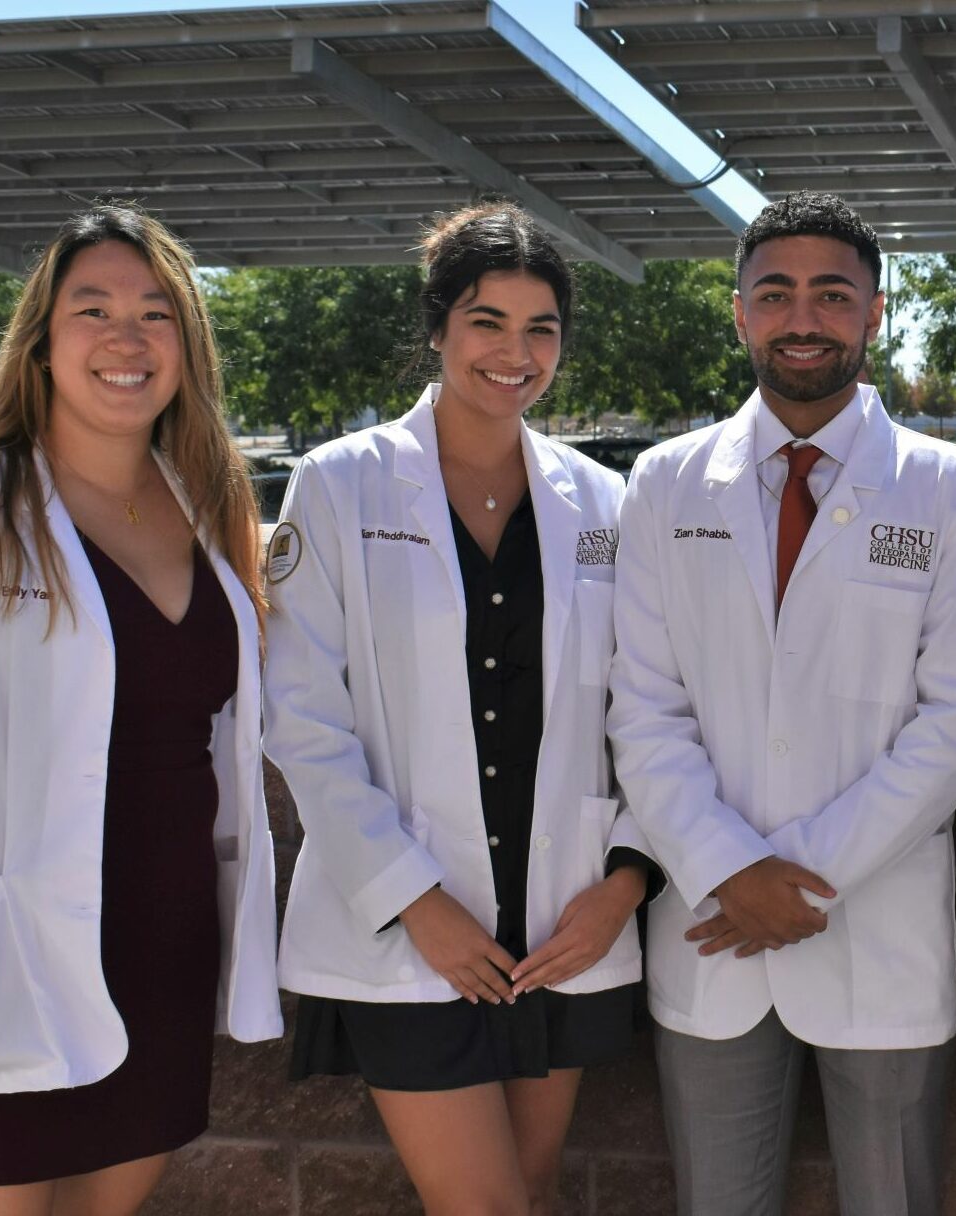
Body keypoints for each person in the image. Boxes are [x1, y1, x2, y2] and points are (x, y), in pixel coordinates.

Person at [607, 191, 956, 1216]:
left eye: (831, 294)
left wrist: (802, 878)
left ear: (874, 313)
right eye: (774, 292)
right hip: (709, 924)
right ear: (736, 312)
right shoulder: (662, 481)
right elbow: (644, 708)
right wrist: (726, 868)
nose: (801, 318)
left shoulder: (950, 488)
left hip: (876, 924)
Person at [262, 203, 651, 1216]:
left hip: (560, 925)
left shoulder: (605, 505)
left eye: (541, 329)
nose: (513, 353)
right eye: (487, 321)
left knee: (527, 1185)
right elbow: (301, 715)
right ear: (437, 327)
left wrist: (625, 883)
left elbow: (648, 709)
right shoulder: (339, 488)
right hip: (410, 927)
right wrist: (411, 898)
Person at [0, 204, 282, 1212]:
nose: (127, 338)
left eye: (156, 312)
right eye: (94, 309)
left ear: (187, 343)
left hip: (159, 958)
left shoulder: (211, 506)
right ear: (40, 342)